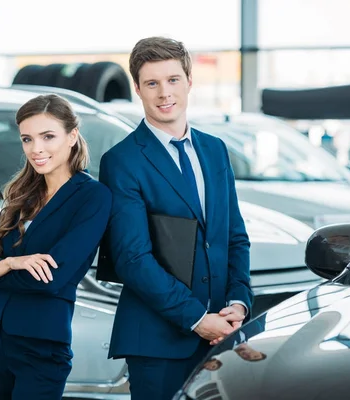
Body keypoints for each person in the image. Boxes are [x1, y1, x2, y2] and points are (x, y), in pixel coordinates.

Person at [99, 36, 253, 399]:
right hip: (158, 344)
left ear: (188, 82)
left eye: (172, 80)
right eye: (152, 83)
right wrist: (200, 320)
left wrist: (238, 301)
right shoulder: (122, 161)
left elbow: (234, 237)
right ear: (137, 88)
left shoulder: (214, 150)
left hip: (222, 336)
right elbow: (132, 259)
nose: (164, 93)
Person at [0, 94, 112, 399]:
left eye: (48, 136)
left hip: (41, 343)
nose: (36, 149)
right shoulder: (23, 195)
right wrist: (10, 263)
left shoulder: (92, 197)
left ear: (72, 136)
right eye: (27, 139)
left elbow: (50, 279)